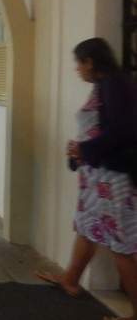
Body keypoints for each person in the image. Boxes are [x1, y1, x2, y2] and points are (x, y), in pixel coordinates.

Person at [35, 37, 137, 320]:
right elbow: (99, 129)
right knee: (87, 227)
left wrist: (85, 149)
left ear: (90, 62)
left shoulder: (116, 84)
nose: (77, 69)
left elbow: (123, 130)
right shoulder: (104, 86)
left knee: (121, 245)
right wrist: (80, 151)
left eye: (78, 63)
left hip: (113, 181)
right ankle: (71, 279)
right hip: (97, 177)